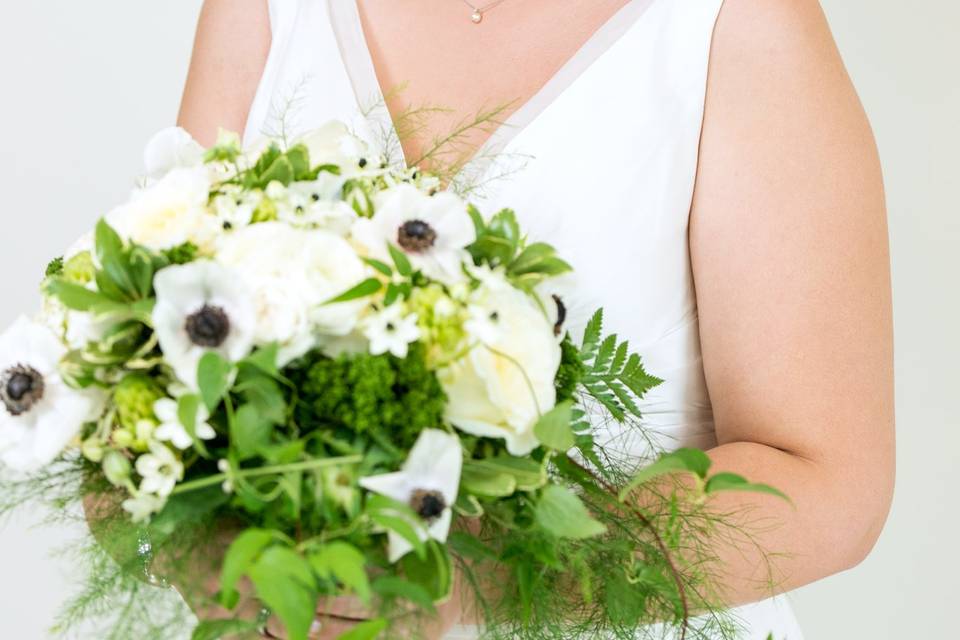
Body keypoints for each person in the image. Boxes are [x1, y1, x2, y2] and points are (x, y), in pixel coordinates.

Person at [177, 1, 895, 638]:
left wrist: (476, 585)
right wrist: (208, 552)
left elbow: (831, 485)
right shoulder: (262, 12)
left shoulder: (733, 20)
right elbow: (131, 369)